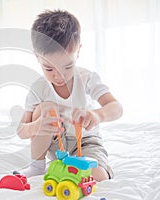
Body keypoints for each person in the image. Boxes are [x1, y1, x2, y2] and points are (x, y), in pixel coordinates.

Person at [15, 10, 123, 181]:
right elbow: (21, 130)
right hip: (55, 145)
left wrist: (97, 115)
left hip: (86, 142)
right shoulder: (38, 87)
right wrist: (36, 126)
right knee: (45, 108)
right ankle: (37, 166)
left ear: (78, 51)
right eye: (49, 69)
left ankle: (85, 168)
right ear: (37, 57)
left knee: (95, 177)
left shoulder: (87, 78)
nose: (59, 76)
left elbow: (117, 108)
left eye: (67, 66)